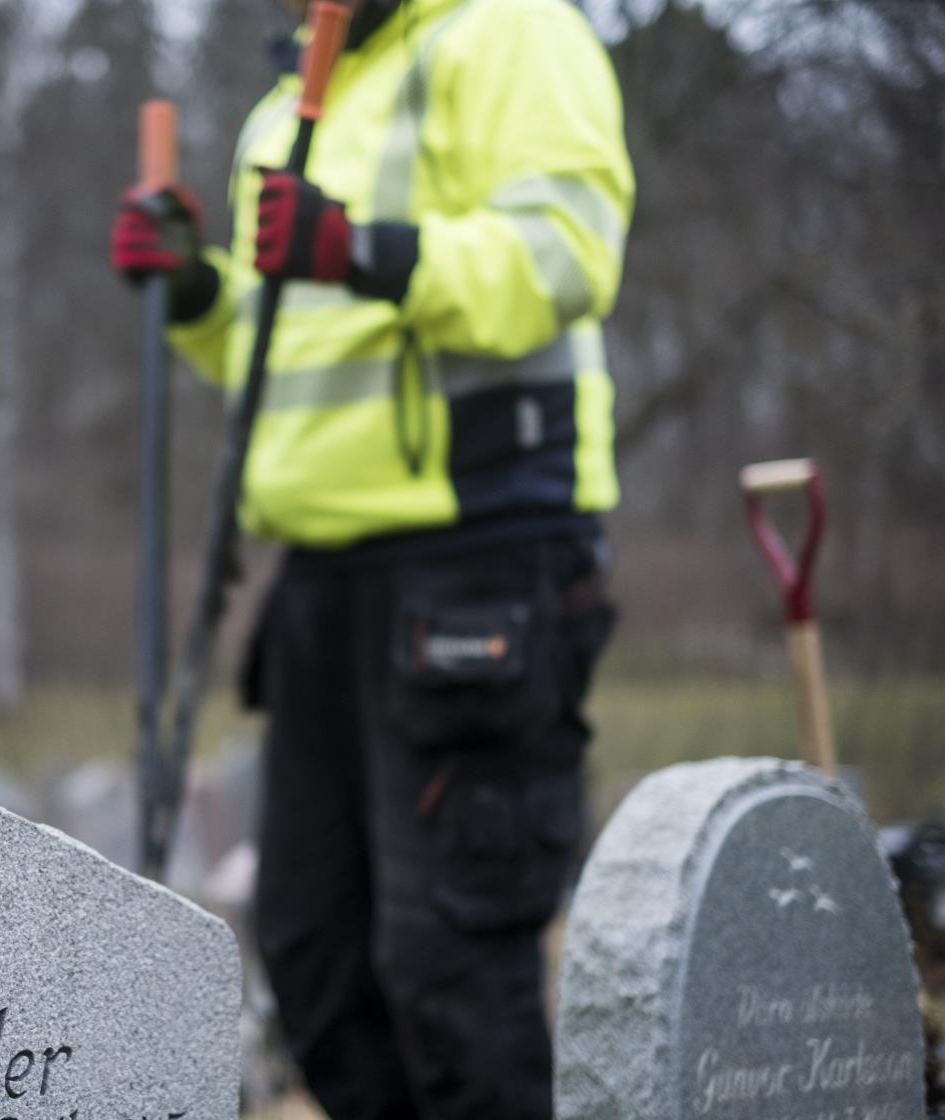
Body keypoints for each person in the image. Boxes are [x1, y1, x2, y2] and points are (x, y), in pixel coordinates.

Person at [110, 0, 633, 1117]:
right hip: (321, 573)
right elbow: (284, 344)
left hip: (478, 553)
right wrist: (199, 295)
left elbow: (564, 256)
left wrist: (364, 250)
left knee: (446, 958)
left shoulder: (508, 33)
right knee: (314, 953)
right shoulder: (289, 102)